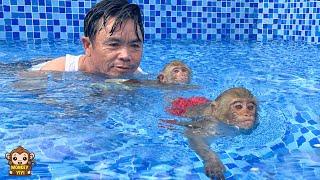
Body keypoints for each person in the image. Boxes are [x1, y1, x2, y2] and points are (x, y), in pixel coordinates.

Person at [30, 0, 145, 78]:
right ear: (87, 45)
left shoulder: (135, 74)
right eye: (113, 44)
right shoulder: (55, 71)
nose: (125, 56)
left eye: (134, 45)